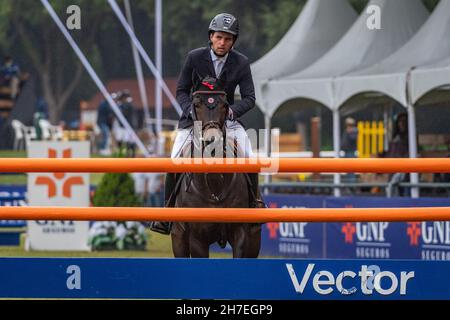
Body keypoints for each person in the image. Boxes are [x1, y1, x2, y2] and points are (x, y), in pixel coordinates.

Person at [150, 13, 265, 235]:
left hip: (227, 120)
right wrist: (190, 111)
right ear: (211, 36)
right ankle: (167, 213)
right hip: (194, 120)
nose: (223, 43)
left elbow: (250, 98)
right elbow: (182, 90)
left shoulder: (241, 62)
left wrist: (231, 111)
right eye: (219, 37)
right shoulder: (195, 57)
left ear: (233, 41)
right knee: (174, 160)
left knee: (249, 156)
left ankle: (254, 202)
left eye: (228, 39)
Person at [340, 117, 358, 185]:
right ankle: (349, 184)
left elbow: (353, 139)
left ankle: (351, 184)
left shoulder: (354, 131)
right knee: (347, 169)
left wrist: (349, 133)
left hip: (351, 152)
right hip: (346, 152)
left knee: (351, 169)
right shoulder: (347, 131)